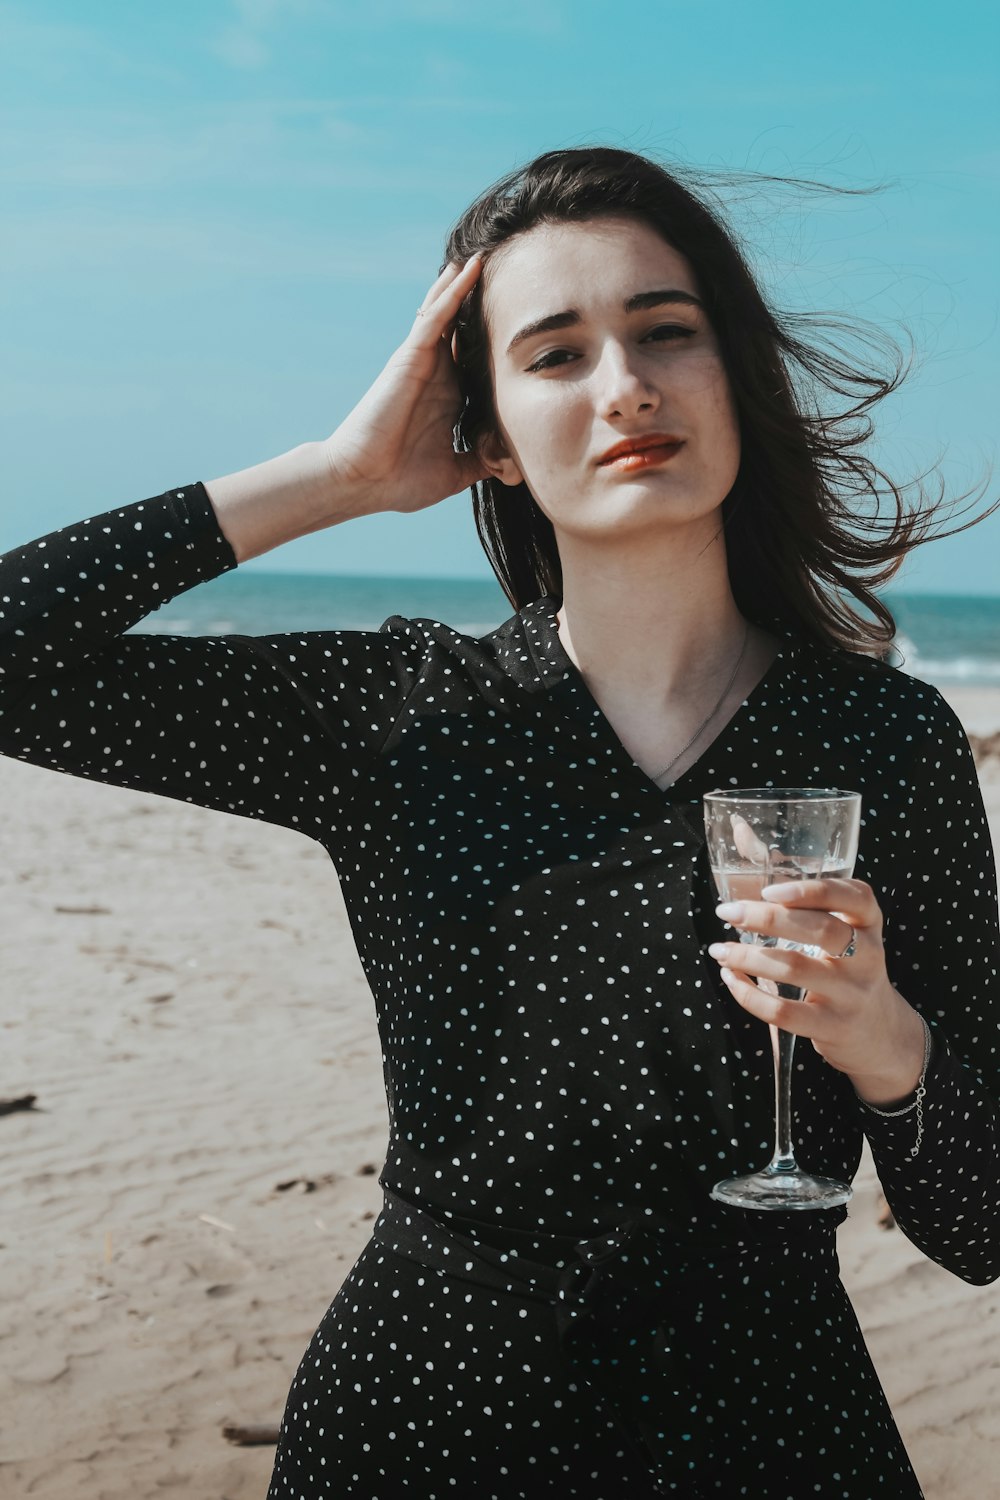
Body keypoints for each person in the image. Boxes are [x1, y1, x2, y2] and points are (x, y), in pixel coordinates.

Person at [1, 146, 998, 1499]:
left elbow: (978, 1225)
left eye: (665, 333)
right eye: (554, 356)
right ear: (491, 441)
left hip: (772, 1427)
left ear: (734, 377)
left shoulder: (882, 741)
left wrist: (884, 1041)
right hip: (428, 1417)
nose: (626, 384)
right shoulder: (397, 714)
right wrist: (339, 473)